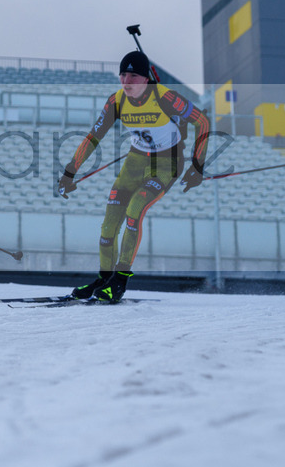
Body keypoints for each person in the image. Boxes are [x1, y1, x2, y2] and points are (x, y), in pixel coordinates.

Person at [56, 50, 209, 303]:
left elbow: (202, 121)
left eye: (134, 76)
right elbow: (93, 137)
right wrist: (69, 172)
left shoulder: (165, 97)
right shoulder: (116, 101)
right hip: (136, 160)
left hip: (167, 162)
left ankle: (120, 280)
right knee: (108, 226)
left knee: (136, 208)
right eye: (123, 74)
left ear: (147, 79)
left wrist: (197, 166)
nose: (126, 81)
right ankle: (104, 279)